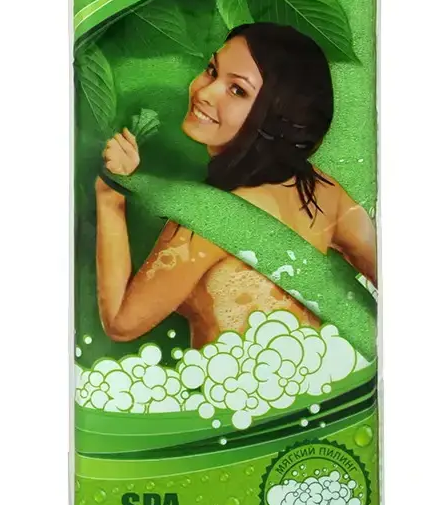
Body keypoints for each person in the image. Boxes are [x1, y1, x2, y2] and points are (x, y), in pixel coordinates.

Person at [94, 22, 377, 347]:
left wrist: (110, 194)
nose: (204, 92)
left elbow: (121, 322)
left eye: (238, 90)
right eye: (211, 71)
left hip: (231, 380)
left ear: (277, 116)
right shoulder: (321, 191)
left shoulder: (207, 217)